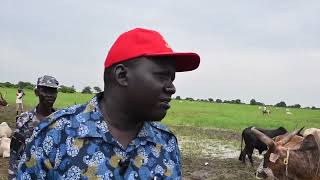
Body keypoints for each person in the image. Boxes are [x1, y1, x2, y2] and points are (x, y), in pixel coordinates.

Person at [17, 28, 200, 179]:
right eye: (161, 76)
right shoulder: (56, 135)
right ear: (122, 75)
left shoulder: (166, 144)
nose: (172, 88)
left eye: (172, 78)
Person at [9, 75, 59, 180]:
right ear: (37, 92)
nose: (50, 95)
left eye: (53, 91)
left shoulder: (62, 121)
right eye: (45, 91)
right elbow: (15, 154)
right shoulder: (24, 120)